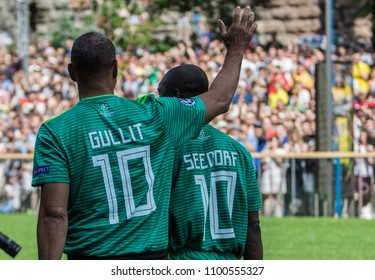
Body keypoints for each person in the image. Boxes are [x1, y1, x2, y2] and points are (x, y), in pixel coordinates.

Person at [31, 6, 258, 260]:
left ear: (72, 72)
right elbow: (220, 99)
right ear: (116, 69)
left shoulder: (55, 131)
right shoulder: (155, 114)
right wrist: (237, 48)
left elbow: (54, 214)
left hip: (90, 260)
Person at [158, 64, 263, 260]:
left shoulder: (168, 148)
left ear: (175, 96)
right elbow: (253, 225)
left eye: (160, 94)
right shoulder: (240, 152)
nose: (157, 101)